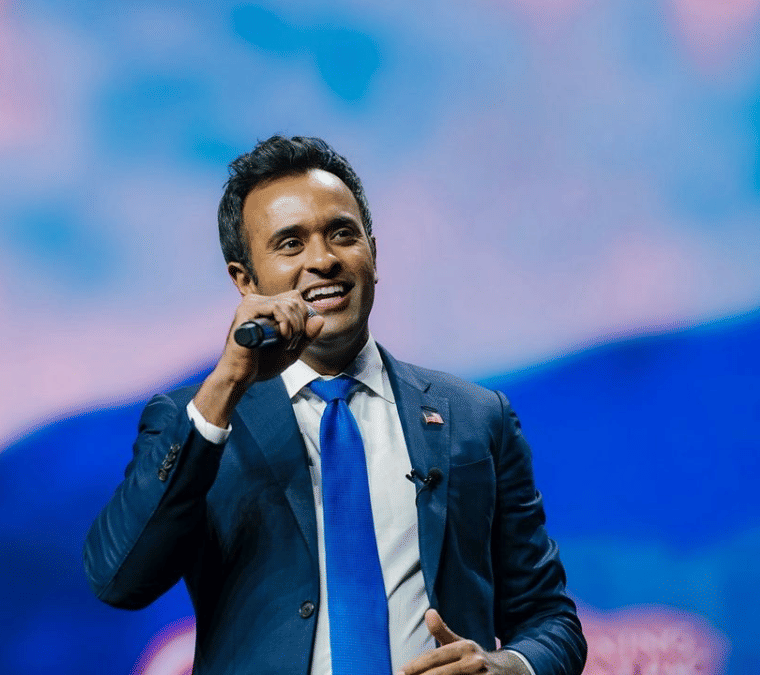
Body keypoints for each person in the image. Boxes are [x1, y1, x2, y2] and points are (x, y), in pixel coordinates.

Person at [84, 136, 586, 675]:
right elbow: (120, 579)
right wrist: (227, 384)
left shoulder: (476, 417)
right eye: (291, 244)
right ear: (245, 280)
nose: (323, 260)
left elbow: (550, 619)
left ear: (373, 253)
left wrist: (506, 667)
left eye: (343, 234)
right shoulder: (202, 418)